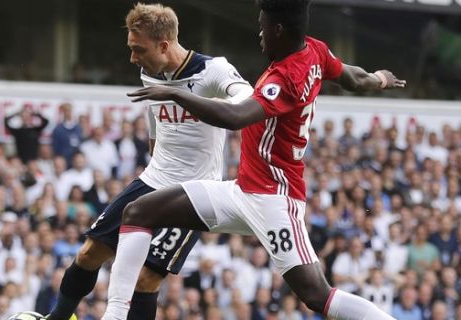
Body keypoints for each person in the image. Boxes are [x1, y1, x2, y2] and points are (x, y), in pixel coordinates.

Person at [101, 0, 406, 319]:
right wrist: (379, 79)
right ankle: (115, 315)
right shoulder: (314, 50)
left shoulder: (286, 78)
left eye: (263, 27)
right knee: (137, 212)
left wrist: (178, 94)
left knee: (316, 295)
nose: (259, 33)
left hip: (275, 199)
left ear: (278, 30)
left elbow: (235, 117)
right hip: (241, 191)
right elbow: (353, 78)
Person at [45, 3, 252, 320]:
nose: (132, 58)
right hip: (153, 179)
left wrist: (190, 99)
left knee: (145, 279)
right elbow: (157, 120)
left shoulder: (214, 71)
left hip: (194, 192)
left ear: (164, 45)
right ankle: (57, 317)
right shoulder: (149, 72)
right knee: (88, 254)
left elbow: (247, 100)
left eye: (138, 49)